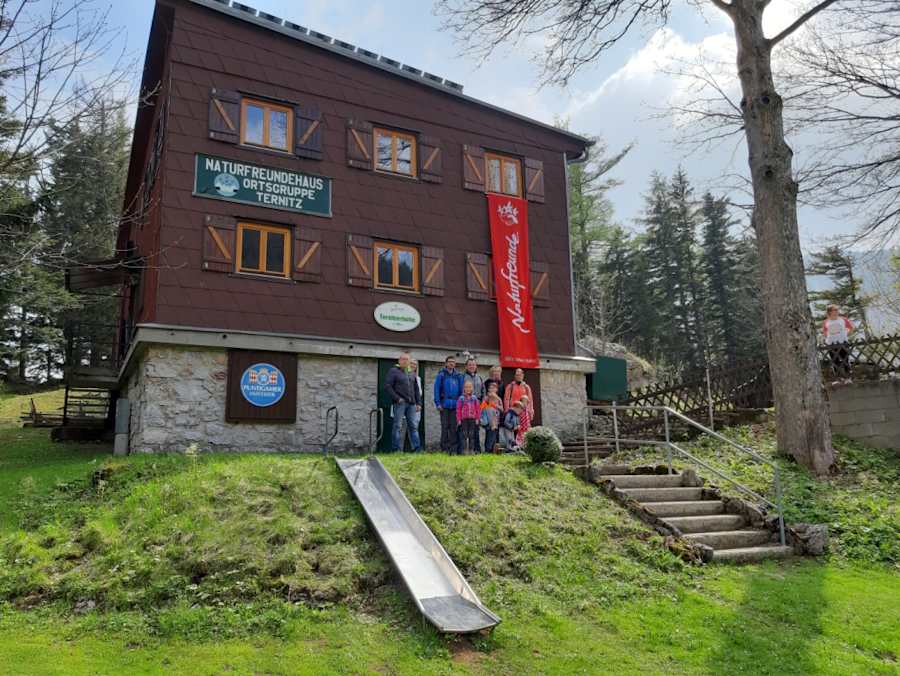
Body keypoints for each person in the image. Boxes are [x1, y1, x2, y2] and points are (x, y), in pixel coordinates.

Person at [384, 353, 421, 452]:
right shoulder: (394, 371)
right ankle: (396, 450)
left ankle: (417, 449)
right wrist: (397, 398)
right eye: (403, 359)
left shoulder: (412, 373)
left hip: (412, 404)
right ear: (399, 361)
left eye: (407, 359)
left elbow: (416, 389)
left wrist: (418, 403)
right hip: (400, 403)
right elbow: (388, 386)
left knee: (413, 427)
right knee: (398, 426)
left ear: (409, 362)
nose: (405, 361)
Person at [434, 355, 464, 453]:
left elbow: (461, 391)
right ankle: (444, 448)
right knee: (444, 427)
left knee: (453, 427)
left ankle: (453, 449)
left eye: (453, 362)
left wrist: (460, 404)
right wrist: (438, 403)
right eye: (450, 361)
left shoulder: (458, 376)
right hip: (444, 405)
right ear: (446, 363)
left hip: (455, 405)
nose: (451, 363)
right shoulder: (441, 375)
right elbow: (436, 390)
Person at [460, 358, 485, 452]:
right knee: (465, 430)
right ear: (466, 366)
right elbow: (460, 391)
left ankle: (476, 449)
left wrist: (482, 404)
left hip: (477, 405)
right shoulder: (462, 377)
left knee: (476, 428)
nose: (472, 366)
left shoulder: (479, 377)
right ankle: (464, 450)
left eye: (473, 365)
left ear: (476, 366)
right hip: (466, 405)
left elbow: (483, 391)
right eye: (470, 365)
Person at [822, 305, 854, 377]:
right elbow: (824, 333)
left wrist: (845, 335)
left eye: (837, 310)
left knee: (845, 360)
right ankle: (838, 379)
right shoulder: (826, 322)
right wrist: (831, 338)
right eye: (835, 310)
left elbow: (851, 328)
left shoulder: (843, 319)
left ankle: (848, 378)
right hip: (831, 344)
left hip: (843, 343)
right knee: (835, 362)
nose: (837, 311)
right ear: (830, 312)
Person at [456, 380, 481, 455]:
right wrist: (459, 420)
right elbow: (458, 410)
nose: (468, 389)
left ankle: (471, 450)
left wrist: (477, 418)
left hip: (472, 419)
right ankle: (464, 450)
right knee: (464, 435)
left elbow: (478, 409)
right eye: (466, 387)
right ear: (464, 388)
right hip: (464, 419)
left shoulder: (474, 398)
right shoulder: (461, 398)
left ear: (472, 388)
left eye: (469, 387)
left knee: (471, 435)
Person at [480, 382, 503, 454]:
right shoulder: (486, 398)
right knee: (489, 436)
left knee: (495, 436)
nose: (491, 389)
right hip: (488, 421)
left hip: (496, 421)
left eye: (493, 388)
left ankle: (494, 450)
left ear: (496, 389)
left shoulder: (499, 399)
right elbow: (481, 409)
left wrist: (495, 405)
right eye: (490, 388)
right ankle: (488, 450)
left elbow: (502, 409)